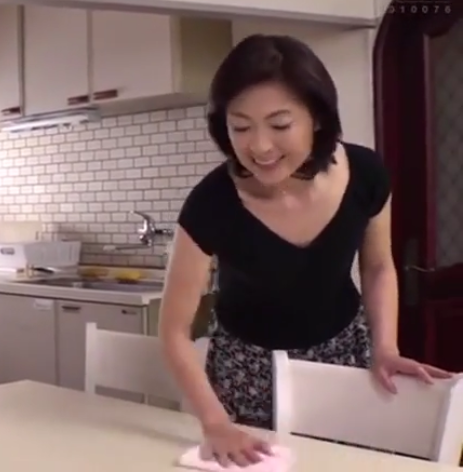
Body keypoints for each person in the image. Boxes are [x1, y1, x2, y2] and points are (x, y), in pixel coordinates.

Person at [158, 34, 452, 467]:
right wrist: (215, 422)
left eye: (279, 125)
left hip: (345, 356)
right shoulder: (211, 203)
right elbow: (173, 331)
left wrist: (385, 347)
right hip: (246, 369)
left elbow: (377, 268)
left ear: (317, 118)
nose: (259, 146)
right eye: (240, 127)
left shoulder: (366, 174)